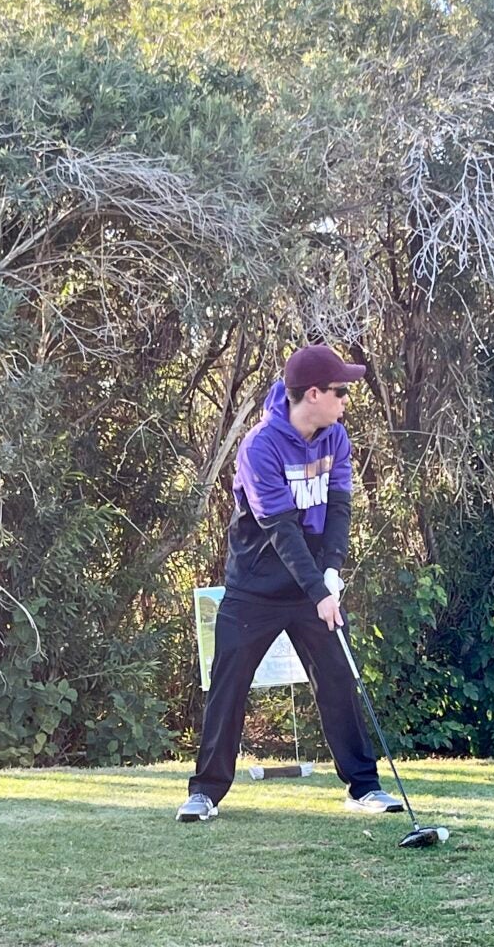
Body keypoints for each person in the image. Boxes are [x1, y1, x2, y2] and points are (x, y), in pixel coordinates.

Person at [176, 344, 402, 822]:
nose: (346, 400)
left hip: (312, 585)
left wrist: (332, 574)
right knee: (228, 684)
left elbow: (339, 508)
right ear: (313, 394)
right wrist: (319, 590)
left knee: (339, 678)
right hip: (254, 588)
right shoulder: (260, 446)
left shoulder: (336, 438)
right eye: (340, 391)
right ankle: (205, 792)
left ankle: (364, 787)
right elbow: (280, 529)